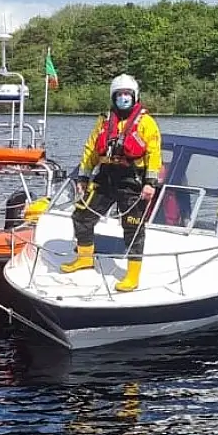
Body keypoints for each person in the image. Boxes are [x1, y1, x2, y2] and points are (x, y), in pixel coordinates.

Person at [60, 73, 162, 292]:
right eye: (119, 94)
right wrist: (83, 177)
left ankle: (132, 275)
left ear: (135, 96)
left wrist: (150, 183)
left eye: (127, 94)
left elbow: (154, 154)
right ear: (113, 97)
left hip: (132, 181)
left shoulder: (146, 123)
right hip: (105, 177)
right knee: (82, 216)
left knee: (133, 228)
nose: (123, 98)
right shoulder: (104, 121)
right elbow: (90, 150)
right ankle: (85, 258)